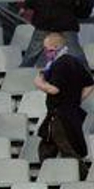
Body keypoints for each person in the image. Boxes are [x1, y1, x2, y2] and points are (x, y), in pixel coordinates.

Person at [34, 33, 94, 161]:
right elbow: (90, 84)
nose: (45, 53)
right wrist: (76, 100)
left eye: (47, 49)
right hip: (69, 112)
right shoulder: (74, 61)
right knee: (47, 147)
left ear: (55, 48)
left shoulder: (59, 64)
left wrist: (39, 83)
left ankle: (80, 173)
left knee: (67, 149)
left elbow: (54, 90)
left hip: (60, 116)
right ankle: (46, 171)